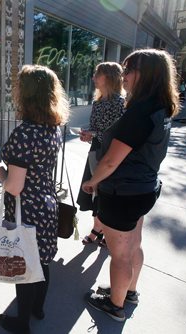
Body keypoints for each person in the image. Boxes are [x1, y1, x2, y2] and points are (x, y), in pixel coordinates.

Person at [82, 49, 180, 321]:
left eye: (129, 70)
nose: (123, 76)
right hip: (143, 188)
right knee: (133, 245)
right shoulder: (159, 106)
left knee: (121, 254)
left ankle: (115, 305)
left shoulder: (141, 111)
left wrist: (92, 180)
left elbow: (112, 161)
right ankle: (129, 292)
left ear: (145, 74)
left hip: (124, 191)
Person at [0, 64, 69, 333]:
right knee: (42, 261)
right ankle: (38, 308)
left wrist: (2, 174)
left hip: (26, 210)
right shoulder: (54, 127)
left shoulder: (25, 133)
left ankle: (21, 322)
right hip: (47, 204)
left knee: (23, 266)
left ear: (25, 94)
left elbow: (14, 187)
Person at [76, 62, 125, 248]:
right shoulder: (98, 102)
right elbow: (98, 130)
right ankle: (100, 229)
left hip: (111, 155)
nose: (93, 77)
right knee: (95, 193)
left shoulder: (120, 103)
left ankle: (100, 230)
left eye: (98, 74)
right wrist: (87, 135)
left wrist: (93, 134)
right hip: (96, 152)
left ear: (109, 77)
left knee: (104, 193)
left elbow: (119, 136)